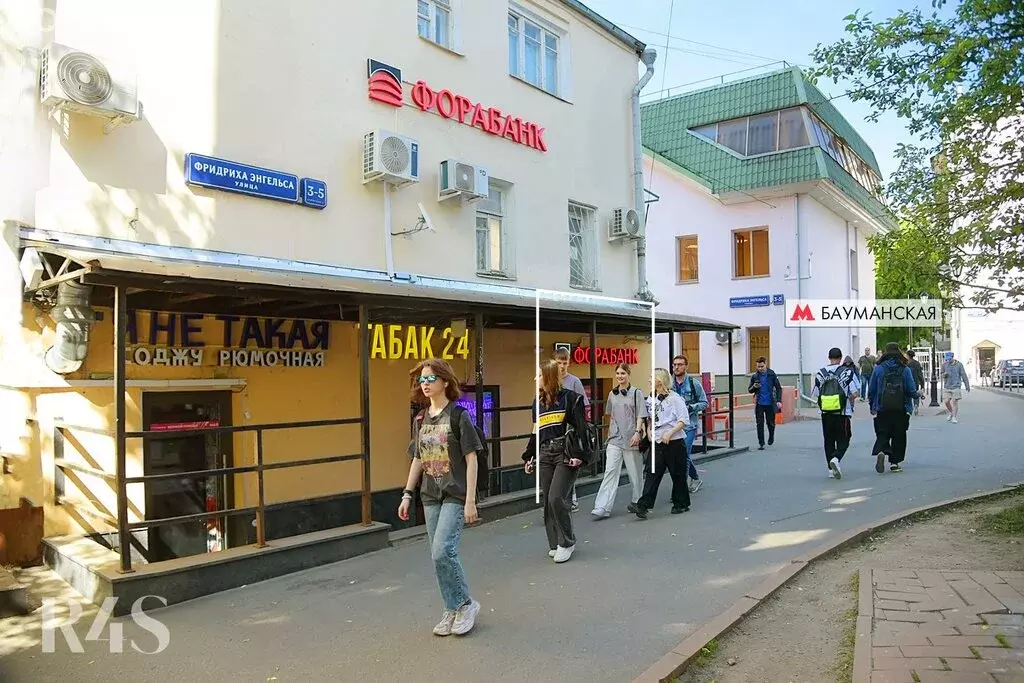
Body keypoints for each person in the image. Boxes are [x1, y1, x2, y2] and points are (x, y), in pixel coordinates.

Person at [399, 358, 483, 637]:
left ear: (445, 381)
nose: (424, 384)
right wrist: (407, 494)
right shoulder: (420, 419)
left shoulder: (459, 416)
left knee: (443, 550)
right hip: (430, 496)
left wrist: (470, 500)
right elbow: (418, 459)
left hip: (455, 494)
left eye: (430, 379)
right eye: (421, 380)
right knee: (437, 557)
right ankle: (451, 608)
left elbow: (472, 460)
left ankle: (466, 605)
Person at [523, 360, 590, 563]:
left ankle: (567, 543)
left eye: (539, 375)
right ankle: (555, 543)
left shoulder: (571, 399)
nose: (535, 379)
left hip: (565, 453)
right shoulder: (537, 402)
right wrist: (529, 455)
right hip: (544, 453)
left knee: (556, 497)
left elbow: (581, 429)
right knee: (548, 502)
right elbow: (537, 431)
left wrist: (579, 455)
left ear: (549, 377)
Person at [592, 363, 647, 518]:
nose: (620, 376)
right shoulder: (612, 394)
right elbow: (611, 414)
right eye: (618, 373)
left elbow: (641, 415)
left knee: (635, 473)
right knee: (610, 471)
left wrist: (637, 432)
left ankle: (638, 501)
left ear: (628, 374)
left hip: (631, 438)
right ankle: (603, 506)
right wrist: (610, 432)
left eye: (623, 373)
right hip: (615, 438)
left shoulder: (637, 393)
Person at [635, 368, 691, 519]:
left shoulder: (675, 399)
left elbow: (683, 420)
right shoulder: (651, 398)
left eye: (651, 377)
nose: (648, 380)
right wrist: (648, 429)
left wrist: (670, 432)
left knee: (677, 474)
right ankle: (643, 504)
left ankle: (681, 503)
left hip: (674, 441)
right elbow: (650, 417)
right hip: (657, 440)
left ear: (659, 380)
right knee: (652, 473)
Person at [810, 347, 860, 480]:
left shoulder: (821, 373)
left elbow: (815, 394)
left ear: (829, 357)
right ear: (841, 357)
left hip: (825, 412)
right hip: (842, 413)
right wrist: (847, 399)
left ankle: (830, 470)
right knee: (845, 438)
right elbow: (855, 393)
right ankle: (836, 458)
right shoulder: (847, 373)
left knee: (829, 440)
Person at [869, 343, 919, 473]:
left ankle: (881, 450)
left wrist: (872, 406)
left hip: (882, 407)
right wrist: (918, 395)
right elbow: (911, 389)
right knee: (899, 434)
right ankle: (895, 463)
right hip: (901, 407)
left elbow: (872, 389)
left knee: (882, 432)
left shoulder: (878, 369)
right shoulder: (905, 369)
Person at [554, 348, 590, 512]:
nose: (562, 366)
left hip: (569, 428)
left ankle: (571, 498)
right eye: (559, 362)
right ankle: (558, 500)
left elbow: (584, 404)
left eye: (565, 363)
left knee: (568, 461)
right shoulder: (549, 380)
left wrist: (580, 426)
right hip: (553, 427)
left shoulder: (574, 381)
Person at [670, 355, 707, 492]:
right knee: (679, 455)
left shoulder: (693, 383)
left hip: (689, 425)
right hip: (672, 426)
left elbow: (704, 403)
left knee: (683, 454)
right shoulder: (669, 384)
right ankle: (695, 477)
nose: (676, 367)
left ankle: (681, 489)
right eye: (674, 365)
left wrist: (692, 407)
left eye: (680, 365)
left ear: (686, 366)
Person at [747, 356, 782, 451]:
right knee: (759, 424)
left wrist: (779, 400)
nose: (760, 369)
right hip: (759, 403)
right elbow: (749, 390)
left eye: (762, 366)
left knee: (770, 423)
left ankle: (771, 436)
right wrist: (754, 387)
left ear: (765, 364)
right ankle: (761, 443)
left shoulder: (772, 374)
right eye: (758, 367)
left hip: (770, 403)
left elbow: (779, 388)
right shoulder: (755, 376)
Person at [940, 351, 971, 423]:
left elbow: (963, 375)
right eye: (947, 359)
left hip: (956, 385)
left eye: (949, 359)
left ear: (952, 358)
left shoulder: (959, 365)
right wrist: (944, 375)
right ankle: (951, 412)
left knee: (954, 401)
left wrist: (967, 385)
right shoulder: (944, 365)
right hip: (947, 386)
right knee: (946, 401)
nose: (948, 360)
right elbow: (941, 374)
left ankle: (954, 417)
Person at [905, 350, 926, 416]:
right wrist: (922, 385)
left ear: (908, 355)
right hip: (915, 382)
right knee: (915, 395)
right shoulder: (917, 363)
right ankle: (916, 405)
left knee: (907, 396)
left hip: (906, 382)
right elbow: (920, 374)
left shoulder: (905, 363)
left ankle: (908, 409)